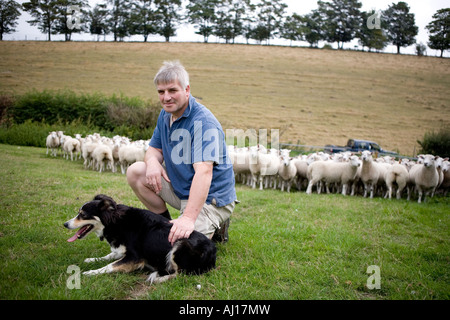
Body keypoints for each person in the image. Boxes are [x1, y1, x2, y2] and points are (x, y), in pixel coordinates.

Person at [127, 61, 237, 245]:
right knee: (137, 171)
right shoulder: (165, 114)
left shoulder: (204, 123)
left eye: (172, 90)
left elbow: (204, 172)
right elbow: (154, 149)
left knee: (182, 249)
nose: (166, 97)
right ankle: (163, 224)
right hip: (182, 189)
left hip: (210, 197)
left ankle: (214, 220)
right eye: (161, 92)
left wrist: (187, 219)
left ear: (187, 89)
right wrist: (153, 163)